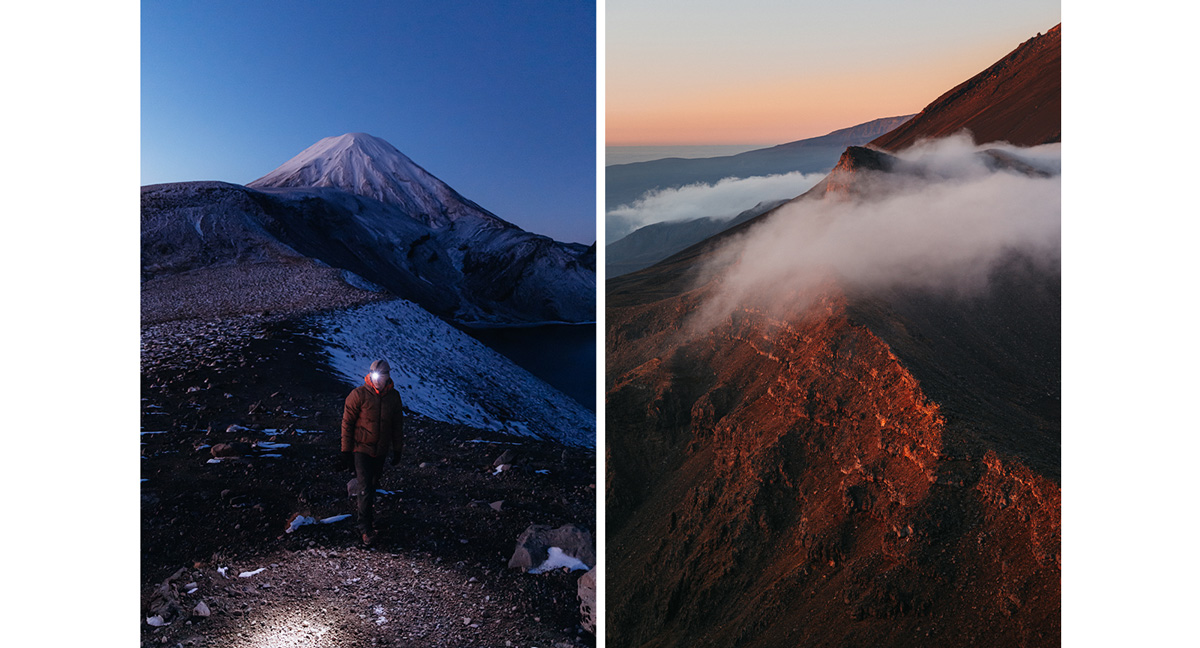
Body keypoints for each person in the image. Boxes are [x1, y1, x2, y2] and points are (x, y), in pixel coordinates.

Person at [341, 359, 405, 545]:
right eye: (375, 375)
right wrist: (346, 451)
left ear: (388, 376)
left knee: (373, 485)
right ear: (370, 375)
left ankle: (368, 519)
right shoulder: (358, 395)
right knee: (366, 487)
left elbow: (397, 425)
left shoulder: (394, 397)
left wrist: (397, 449)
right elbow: (347, 423)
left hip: (381, 450)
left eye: (382, 375)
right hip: (361, 449)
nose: (378, 379)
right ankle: (365, 528)